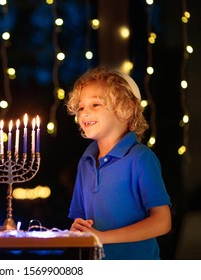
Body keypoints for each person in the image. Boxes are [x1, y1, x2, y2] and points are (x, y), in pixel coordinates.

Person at [66, 67, 171, 260]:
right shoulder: (86, 163)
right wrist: (78, 229)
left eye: (95, 104)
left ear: (127, 109)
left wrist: (103, 237)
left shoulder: (140, 158)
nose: (84, 112)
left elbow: (162, 222)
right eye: (80, 107)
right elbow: (80, 220)